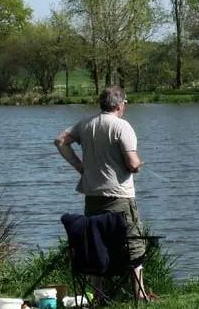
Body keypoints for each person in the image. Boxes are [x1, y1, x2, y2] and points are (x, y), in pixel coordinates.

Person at [53, 85, 155, 301]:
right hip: (120, 198)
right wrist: (138, 165)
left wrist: (80, 167)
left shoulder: (85, 124)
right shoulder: (122, 127)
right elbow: (133, 163)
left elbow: (60, 141)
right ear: (121, 104)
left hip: (92, 198)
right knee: (133, 245)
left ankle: (97, 296)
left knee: (96, 244)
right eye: (125, 103)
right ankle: (140, 295)